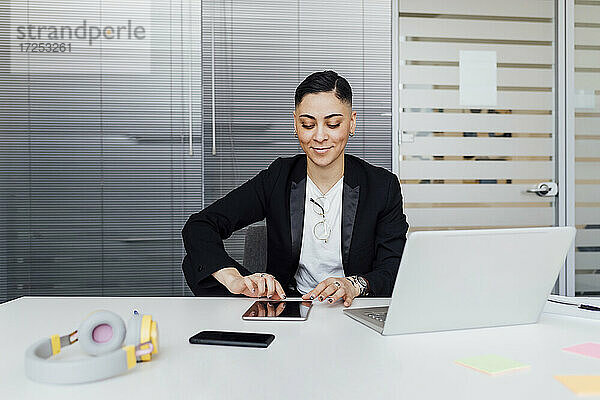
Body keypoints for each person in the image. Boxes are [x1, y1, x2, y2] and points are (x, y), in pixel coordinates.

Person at [182, 70, 409, 307]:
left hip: (352, 308)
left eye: (333, 124)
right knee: (198, 262)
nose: (320, 136)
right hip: (289, 304)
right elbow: (200, 225)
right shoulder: (278, 177)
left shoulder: (382, 186)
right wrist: (233, 278)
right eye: (308, 124)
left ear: (352, 123)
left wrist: (354, 284)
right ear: (295, 124)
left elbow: (393, 268)